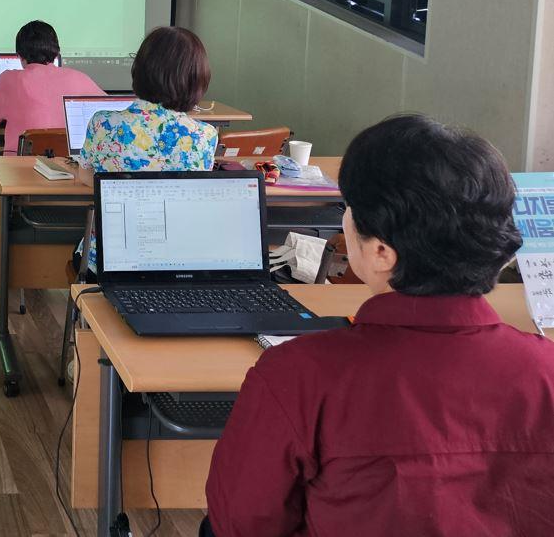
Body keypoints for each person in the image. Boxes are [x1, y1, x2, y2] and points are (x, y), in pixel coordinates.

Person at [202, 115, 554, 537]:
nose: (345, 221)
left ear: (383, 252)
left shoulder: (297, 376)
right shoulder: (545, 372)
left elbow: (242, 523)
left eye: (349, 209)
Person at [78, 25, 218, 173]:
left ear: (139, 68)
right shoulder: (205, 136)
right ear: (197, 80)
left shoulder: (102, 123)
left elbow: (86, 176)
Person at [0, 20, 104, 155]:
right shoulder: (79, 78)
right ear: (56, 53)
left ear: (19, 55)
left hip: (19, 169)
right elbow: (112, 110)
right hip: (70, 166)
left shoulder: (9, 79)